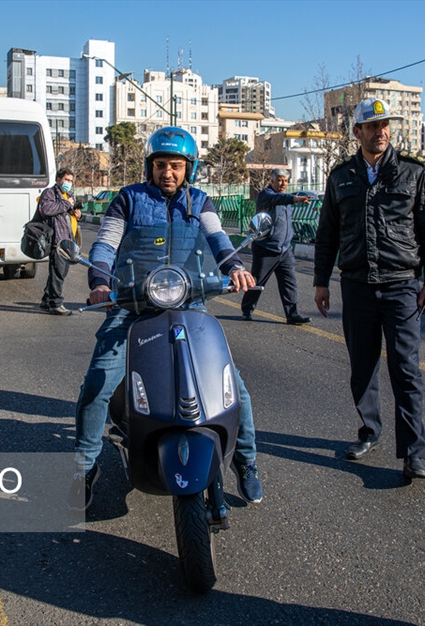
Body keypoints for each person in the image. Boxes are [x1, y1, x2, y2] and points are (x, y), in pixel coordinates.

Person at [74, 126, 263, 508]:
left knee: (232, 385)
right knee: (99, 381)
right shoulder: (128, 199)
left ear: (188, 168)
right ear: (150, 166)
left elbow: (218, 240)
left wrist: (235, 268)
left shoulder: (200, 201)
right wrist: (100, 283)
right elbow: (106, 245)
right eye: (161, 164)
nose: (168, 172)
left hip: (188, 302)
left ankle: (245, 461)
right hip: (131, 303)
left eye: (176, 165)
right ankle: (85, 466)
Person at [313, 98, 425, 480]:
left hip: (402, 284)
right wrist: (321, 282)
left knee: (405, 369)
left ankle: (414, 453)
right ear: (357, 132)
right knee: (362, 367)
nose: (381, 132)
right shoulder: (341, 176)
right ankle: (369, 431)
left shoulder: (413, 172)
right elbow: (327, 234)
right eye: (372, 126)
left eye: (385, 125)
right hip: (356, 286)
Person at [240, 168, 312, 324]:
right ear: (272, 181)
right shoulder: (266, 195)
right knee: (258, 282)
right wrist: (295, 199)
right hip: (266, 248)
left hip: (285, 250)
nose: (283, 183)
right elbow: (278, 199)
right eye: (279, 180)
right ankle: (247, 308)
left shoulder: (286, 199)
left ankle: (292, 314)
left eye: (285, 181)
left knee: (289, 283)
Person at [38, 168, 82, 315]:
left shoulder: (69, 195)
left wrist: (77, 214)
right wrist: (66, 204)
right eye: (66, 180)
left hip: (69, 240)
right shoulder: (50, 193)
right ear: (58, 179)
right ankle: (55, 303)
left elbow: (68, 214)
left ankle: (47, 299)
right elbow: (47, 209)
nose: (68, 183)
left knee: (59, 272)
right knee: (58, 272)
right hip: (57, 240)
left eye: (71, 181)